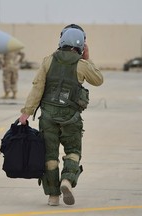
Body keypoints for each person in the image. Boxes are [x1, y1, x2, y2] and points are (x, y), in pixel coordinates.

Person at [18, 26, 103, 206]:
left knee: (50, 156)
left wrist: (26, 112)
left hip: (47, 117)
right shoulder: (82, 64)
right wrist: (87, 57)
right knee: (73, 152)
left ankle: (53, 196)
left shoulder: (48, 61)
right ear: (81, 44)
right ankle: (67, 180)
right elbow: (98, 80)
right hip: (71, 117)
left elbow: (37, 87)